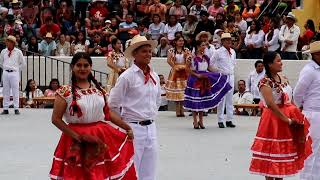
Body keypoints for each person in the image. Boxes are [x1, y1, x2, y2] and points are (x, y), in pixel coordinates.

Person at [49, 52, 137, 179]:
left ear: (90, 67)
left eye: (86, 65)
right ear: (72, 67)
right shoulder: (64, 91)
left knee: (99, 173)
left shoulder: (99, 89)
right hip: (75, 139)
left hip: (100, 136)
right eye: (79, 65)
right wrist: (77, 137)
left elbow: (108, 114)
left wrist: (127, 127)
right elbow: (56, 119)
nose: (82, 69)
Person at [249, 51, 312, 179]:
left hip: (287, 117)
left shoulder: (283, 77)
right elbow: (271, 104)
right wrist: (287, 120)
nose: (281, 63)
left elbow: (290, 98)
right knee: (272, 154)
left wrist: (297, 114)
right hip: (274, 120)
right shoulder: (264, 82)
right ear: (269, 64)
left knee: (283, 154)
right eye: (278, 61)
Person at [108, 35, 160, 180]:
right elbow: (113, 103)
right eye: (144, 51)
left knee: (150, 171)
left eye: (150, 51)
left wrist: (150, 116)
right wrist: (125, 125)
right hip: (132, 128)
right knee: (131, 169)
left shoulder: (154, 76)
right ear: (135, 54)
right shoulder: (127, 77)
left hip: (151, 127)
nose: (148, 54)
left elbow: (157, 100)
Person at [184, 40, 232, 129]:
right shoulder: (191, 57)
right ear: (198, 46)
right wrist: (197, 75)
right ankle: (195, 120)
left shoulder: (205, 57)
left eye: (205, 45)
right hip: (194, 80)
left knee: (202, 100)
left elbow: (209, 68)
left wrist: (219, 72)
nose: (204, 47)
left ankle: (201, 121)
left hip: (204, 79)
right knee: (195, 100)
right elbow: (187, 69)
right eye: (202, 45)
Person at [294, 41, 320, 180]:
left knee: (319, 150)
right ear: (315, 55)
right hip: (313, 114)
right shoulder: (309, 70)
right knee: (310, 149)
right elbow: (298, 93)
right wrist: (302, 106)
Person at [212, 33, 236, 128]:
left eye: (230, 39)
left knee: (230, 99)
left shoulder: (233, 51)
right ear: (222, 42)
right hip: (222, 76)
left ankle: (229, 119)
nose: (229, 41)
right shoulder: (218, 52)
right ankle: (220, 120)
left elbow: (234, 63)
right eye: (226, 40)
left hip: (231, 76)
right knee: (222, 98)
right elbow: (211, 63)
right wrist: (218, 72)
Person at [165, 36, 192, 117]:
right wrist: (175, 67)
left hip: (184, 71)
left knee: (183, 90)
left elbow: (189, 59)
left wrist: (186, 65)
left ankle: (182, 110)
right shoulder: (171, 50)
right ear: (176, 42)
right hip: (175, 71)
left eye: (182, 41)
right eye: (179, 41)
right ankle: (177, 109)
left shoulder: (186, 50)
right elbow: (169, 60)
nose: (181, 42)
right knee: (177, 90)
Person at [0, 36, 26, 115]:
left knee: (15, 90)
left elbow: (23, 63)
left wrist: (17, 69)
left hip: (14, 72)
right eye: (6, 41)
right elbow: (1, 62)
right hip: (5, 72)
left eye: (9, 41)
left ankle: (16, 108)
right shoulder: (3, 51)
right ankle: (5, 108)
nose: (7, 43)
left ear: (13, 43)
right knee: (6, 90)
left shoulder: (18, 52)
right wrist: (5, 68)